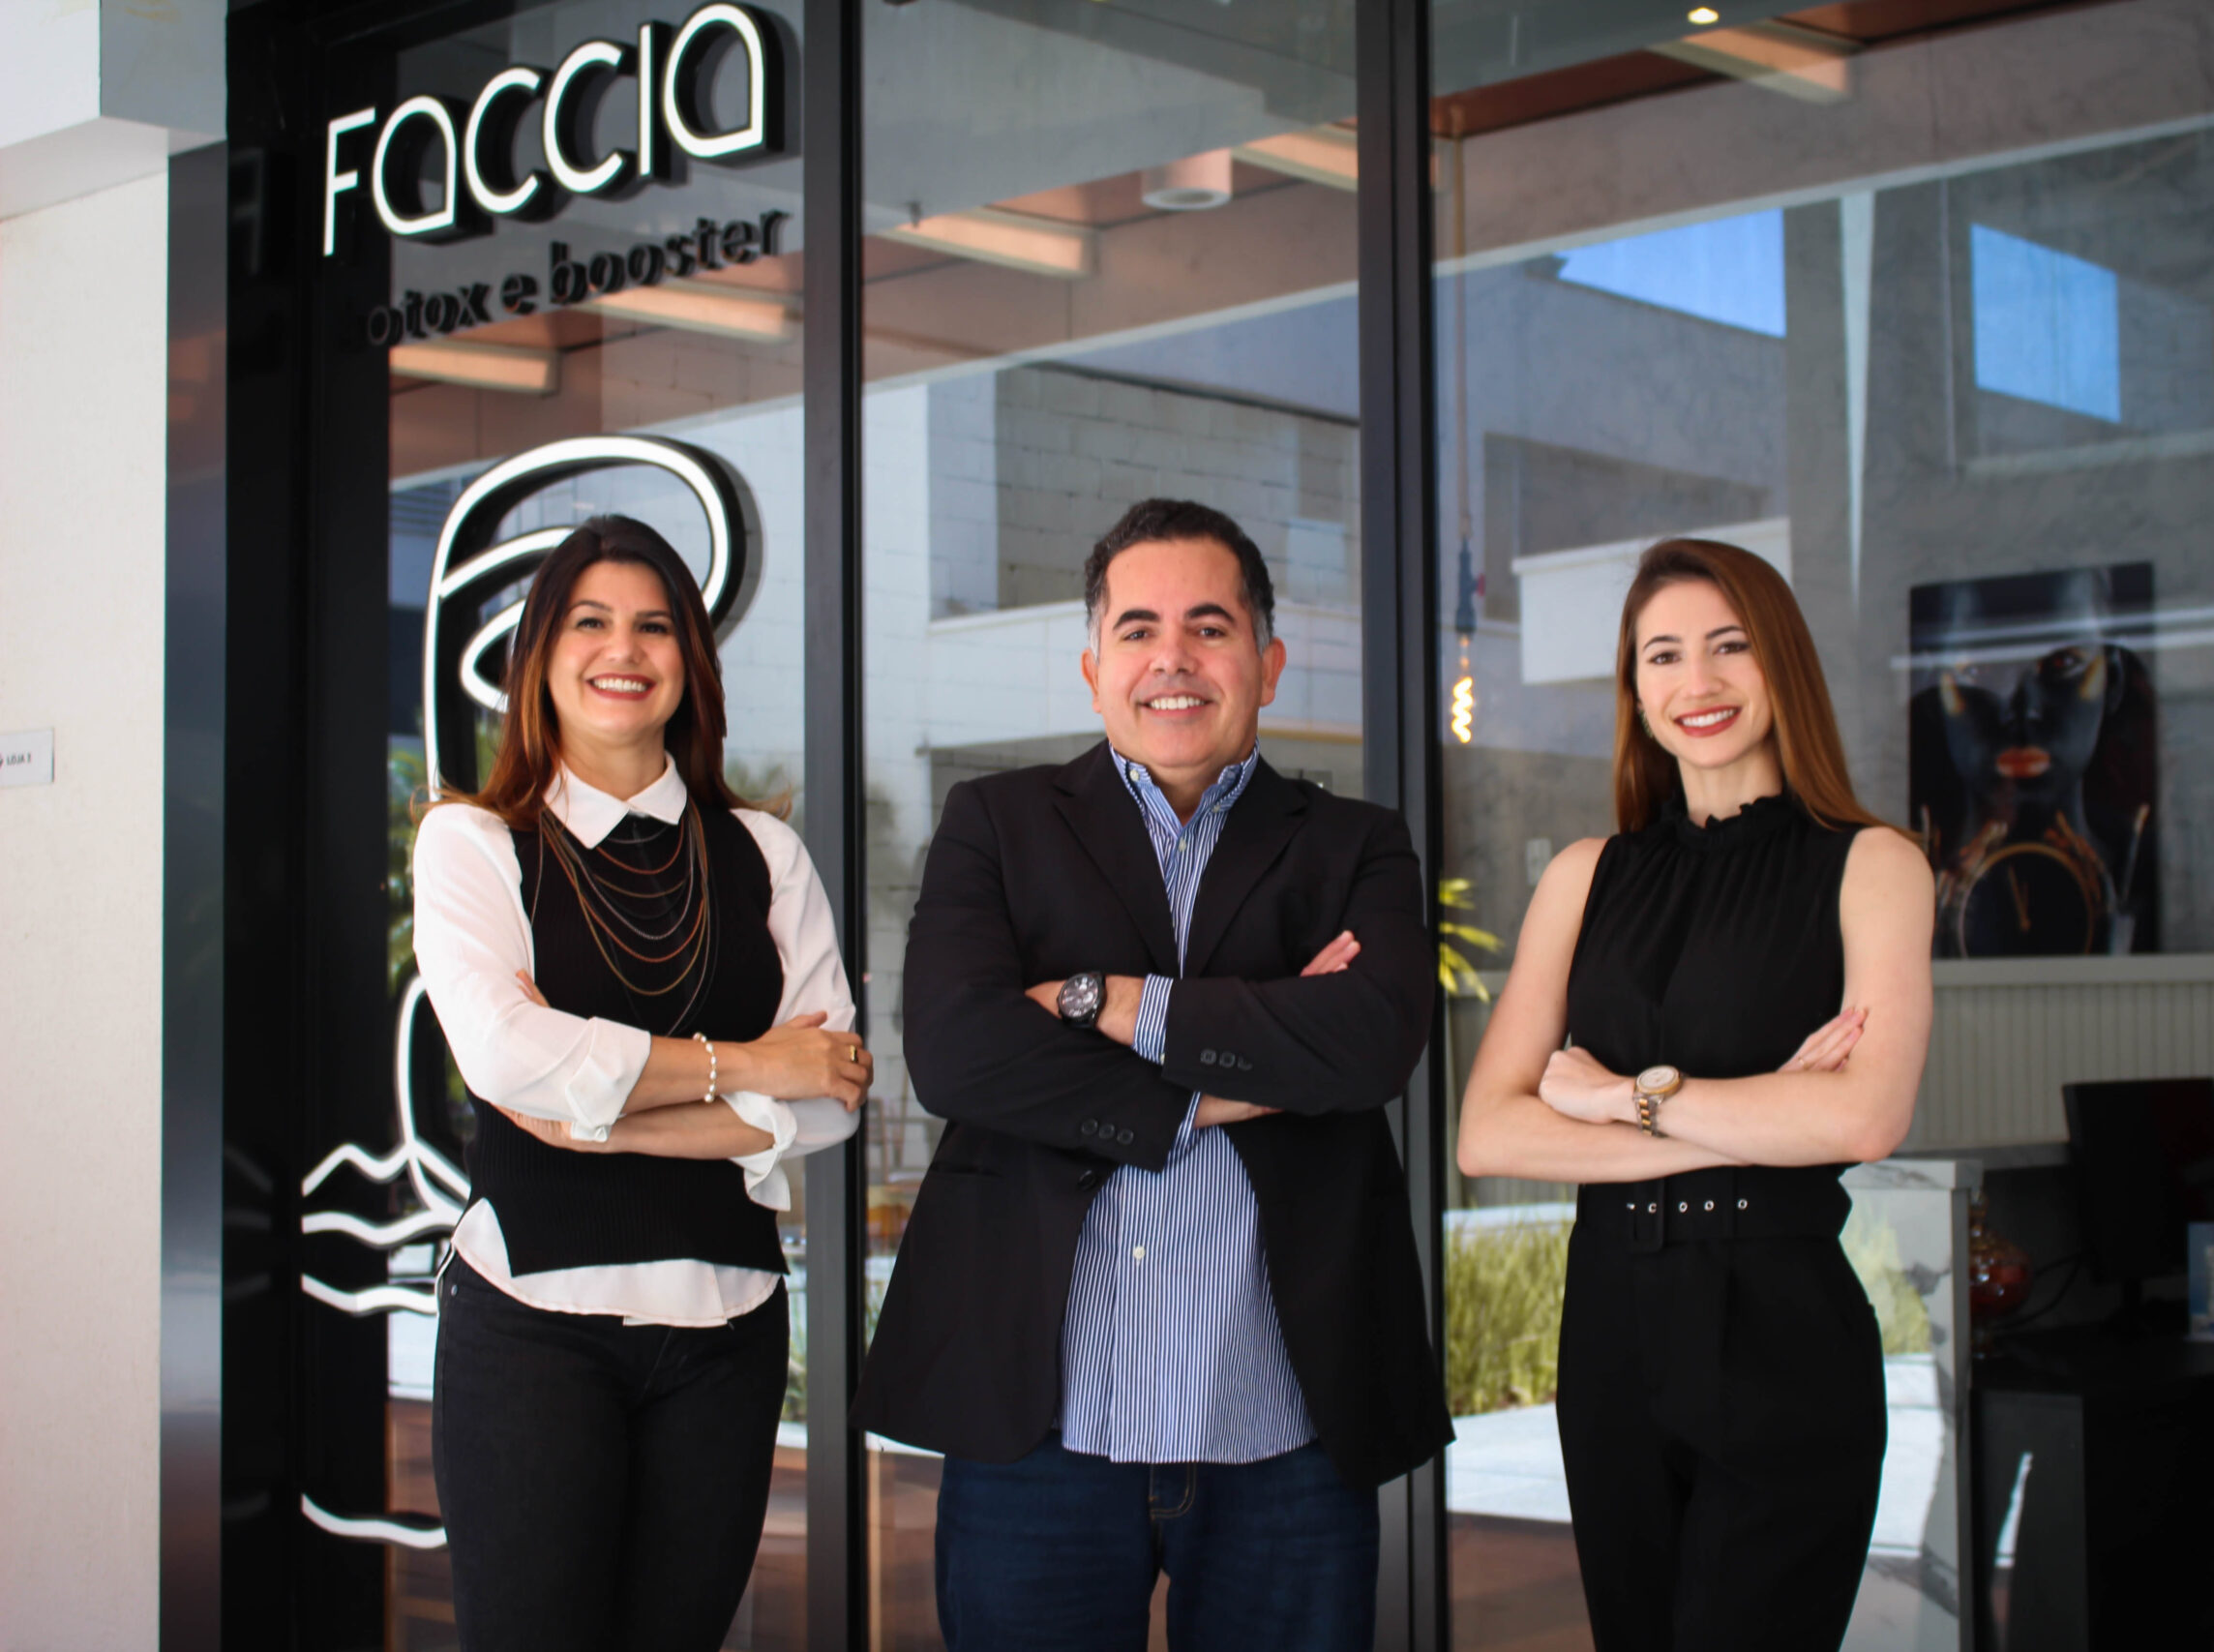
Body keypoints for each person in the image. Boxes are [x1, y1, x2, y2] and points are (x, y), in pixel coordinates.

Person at [854, 497, 1451, 1650]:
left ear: (1267, 663)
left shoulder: (1355, 844)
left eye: (1208, 627)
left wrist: (1100, 1001)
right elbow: (957, 1054)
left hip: (1285, 1426)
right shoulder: (996, 824)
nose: (1172, 658)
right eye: (1138, 629)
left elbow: (1373, 1041)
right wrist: (1250, 1063)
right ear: (1093, 670)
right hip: (1040, 1428)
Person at [1455, 537, 1934, 1651]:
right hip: (1609, 1337)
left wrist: (1613, 1097)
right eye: (1662, 655)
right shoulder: (1585, 875)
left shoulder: (1872, 864)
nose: (1697, 681)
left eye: (1729, 646)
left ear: (1781, 664)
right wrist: (1755, 1116)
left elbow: (1863, 1117)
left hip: (1783, 1338)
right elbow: (1488, 1131)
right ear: (1634, 689)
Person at [411, 516, 872, 1652]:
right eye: (591, 622)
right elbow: (507, 1057)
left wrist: (600, 1122)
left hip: (726, 1330)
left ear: (689, 663)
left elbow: (829, 1097)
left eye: (655, 626)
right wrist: (746, 1066)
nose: (624, 649)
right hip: (531, 1329)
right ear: (539, 656)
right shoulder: (475, 842)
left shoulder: (763, 851)